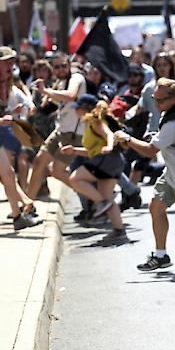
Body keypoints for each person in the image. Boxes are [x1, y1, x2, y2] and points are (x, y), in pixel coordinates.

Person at [113, 78, 175, 270]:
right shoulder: (171, 115)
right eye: (154, 99)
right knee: (156, 206)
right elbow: (161, 141)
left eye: (160, 100)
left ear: (174, 99)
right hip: (173, 174)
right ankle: (160, 255)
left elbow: (150, 151)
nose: (156, 104)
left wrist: (127, 138)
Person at [0, 47, 40, 230]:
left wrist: (9, 113)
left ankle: (18, 217)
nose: (10, 65)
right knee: (2, 173)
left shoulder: (6, 82)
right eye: (6, 61)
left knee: (7, 173)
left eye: (12, 61)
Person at [60, 95, 127, 243]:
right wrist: (74, 150)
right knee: (108, 198)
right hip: (111, 161)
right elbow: (92, 151)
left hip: (106, 160)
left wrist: (109, 146)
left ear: (85, 108)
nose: (75, 110)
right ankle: (119, 231)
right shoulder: (89, 124)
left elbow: (109, 134)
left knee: (75, 178)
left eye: (77, 107)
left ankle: (100, 202)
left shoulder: (94, 121)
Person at [27, 52, 87, 201]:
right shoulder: (59, 83)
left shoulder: (76, 78)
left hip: (74, 134)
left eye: (63, 66)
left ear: (68, 65)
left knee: (57, 171)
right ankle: (28, 205)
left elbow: (71, 95)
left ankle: (91, 196)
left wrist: (46, 91)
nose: (61, 69)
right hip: (60, 131)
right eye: (57, 67)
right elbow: (59, 103)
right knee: (38, 162)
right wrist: (47, 99)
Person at [138, 52, 175, 133]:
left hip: (174, 133)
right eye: (159, 65)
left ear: (170, 66)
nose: (162, 68)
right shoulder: (149, 88)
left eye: (165, 65)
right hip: (153, 131)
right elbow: (140, 107)